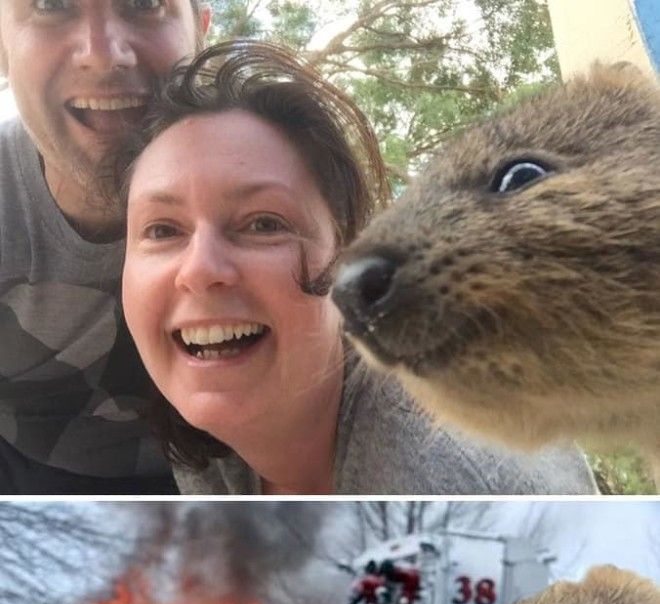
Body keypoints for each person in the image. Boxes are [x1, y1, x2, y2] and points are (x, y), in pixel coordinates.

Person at [120, 39, 597, 496]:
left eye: (264, 224)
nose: (200, 269)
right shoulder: (207, 456)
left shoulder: (464, 482)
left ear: (347, 252)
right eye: (162, 230)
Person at [0, 0, 210, 494]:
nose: (103, 54)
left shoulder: (280, 182)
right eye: (51, 5)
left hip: (219, 477)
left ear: (199, 33)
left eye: (144, 4)